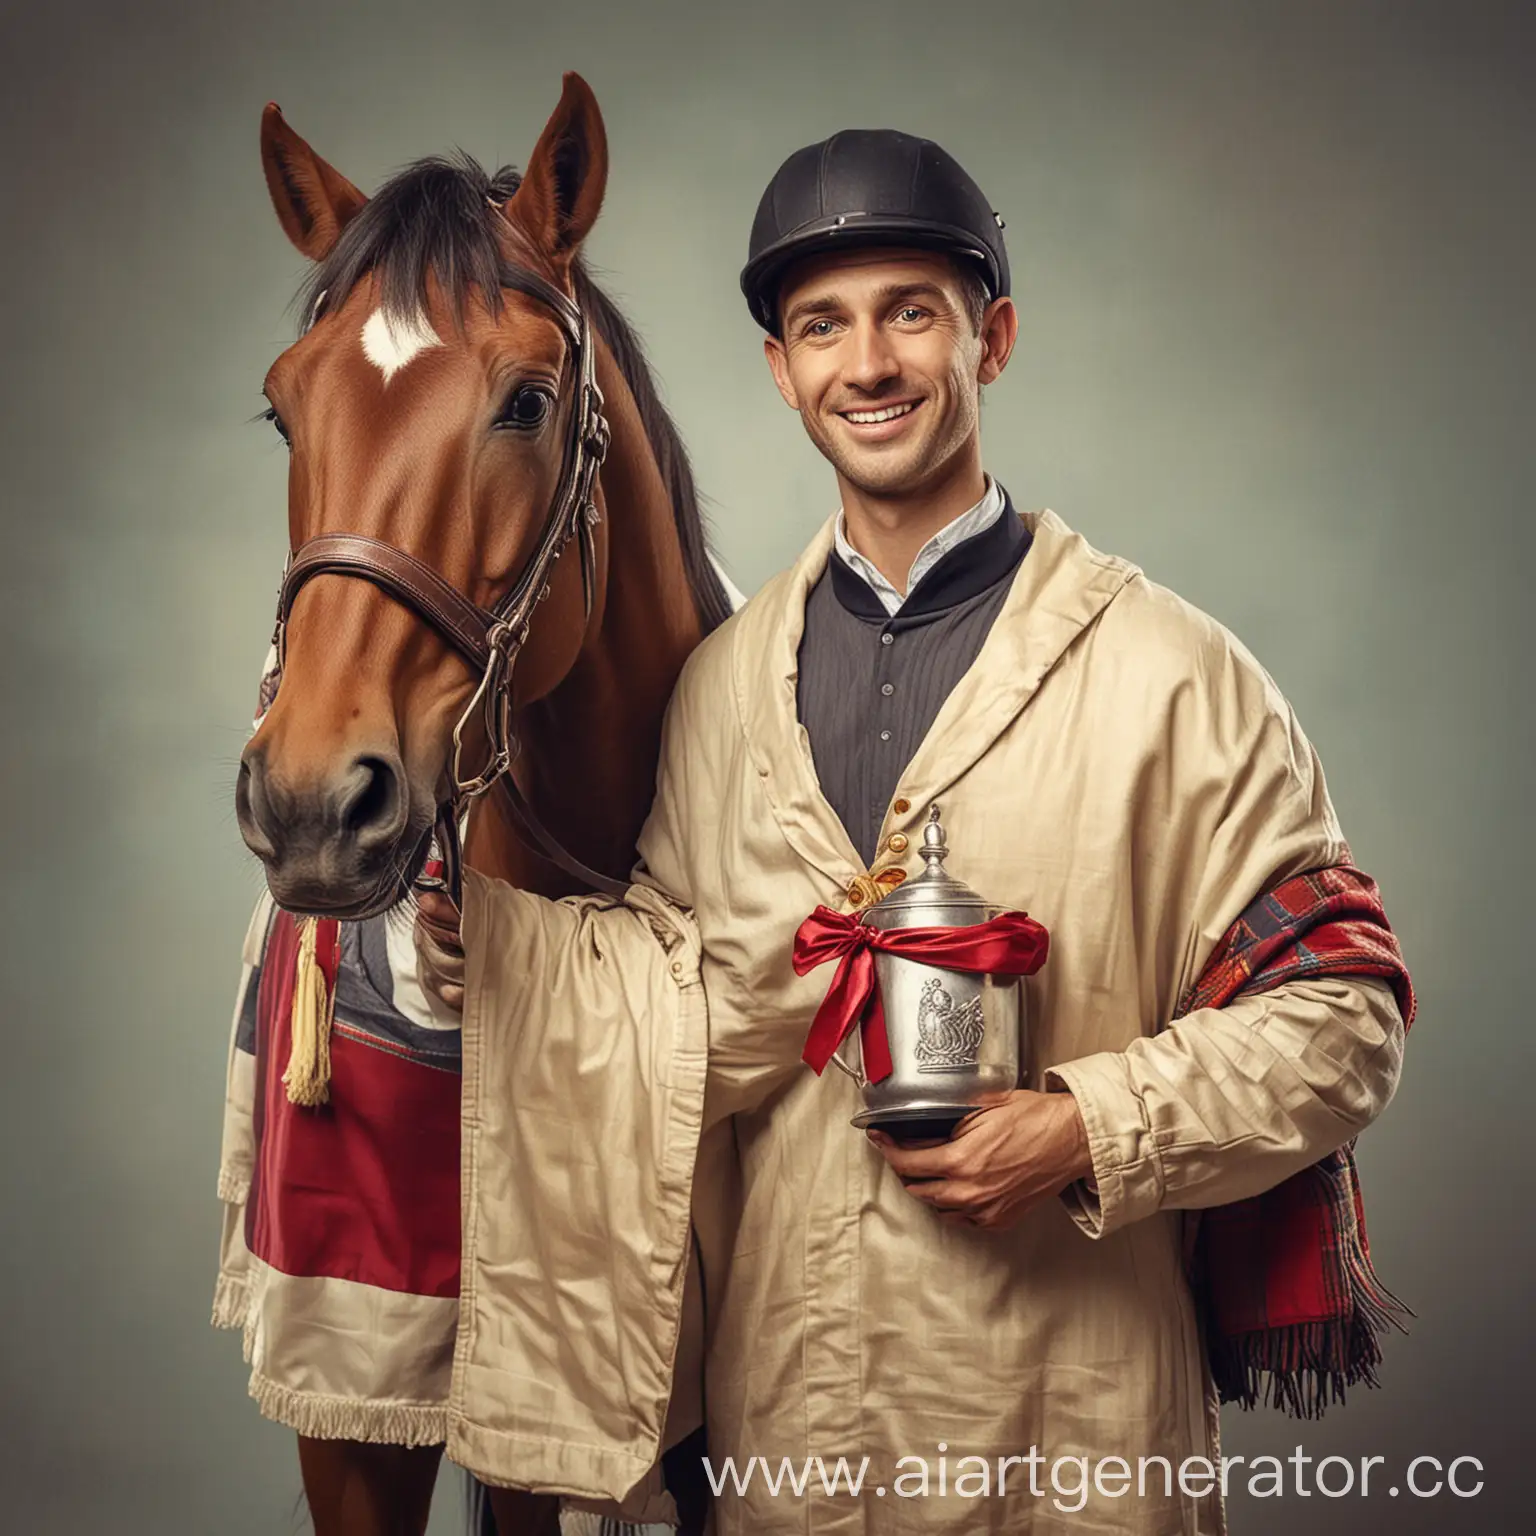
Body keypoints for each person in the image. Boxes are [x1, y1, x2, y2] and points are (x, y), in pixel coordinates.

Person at [412, 129, 1412, 1534]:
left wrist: (1081, 1127)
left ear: (991, 339)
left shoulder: (1178, 675)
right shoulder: (714, 694)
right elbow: (676, 1016)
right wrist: (500, 955)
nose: (866, 364)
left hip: (1076, 1442)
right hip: (786, 1459)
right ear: (780, 370)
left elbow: (1342, 1020)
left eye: (911, 314)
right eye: (822, 324)